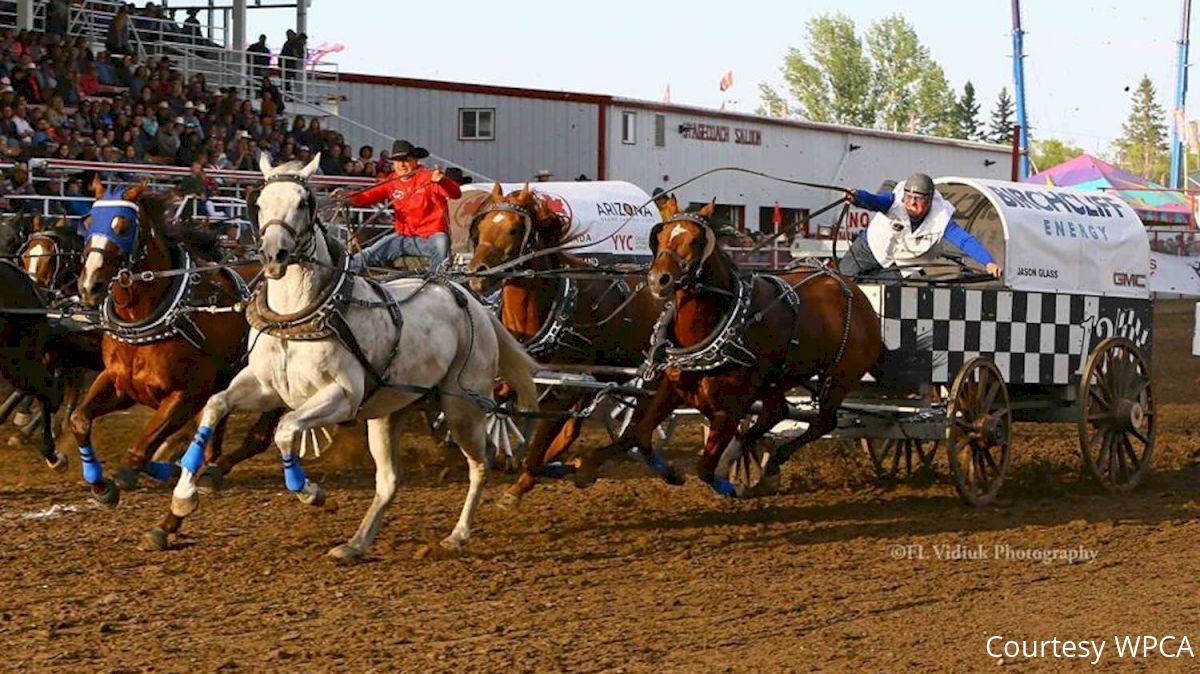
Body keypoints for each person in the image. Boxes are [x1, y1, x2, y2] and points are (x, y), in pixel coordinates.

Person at [837, 173, 1002, 279]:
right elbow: (873, 201)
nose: (912, 203)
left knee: (882, 296)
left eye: (918, 198)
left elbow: (965, 240)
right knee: (842, 282)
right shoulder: (892, 201)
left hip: (901, 265)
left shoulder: (941, 217)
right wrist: (856, 196)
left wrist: (988, 262)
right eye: (908, 197)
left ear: (929, 200)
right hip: (868, 249)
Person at [334, 139, 461, 273]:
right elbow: (367, 196)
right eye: (397, 161)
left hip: (430, 237)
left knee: (441, 242)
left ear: (415, 161)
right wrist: (347, 196)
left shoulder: (430, 178)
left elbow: (456, 194)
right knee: (369, 253)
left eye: (406, 160)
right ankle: (341, 272)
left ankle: (437, 279)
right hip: (403, 236)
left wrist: (443, 181)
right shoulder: (392, 181)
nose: (402, 165)